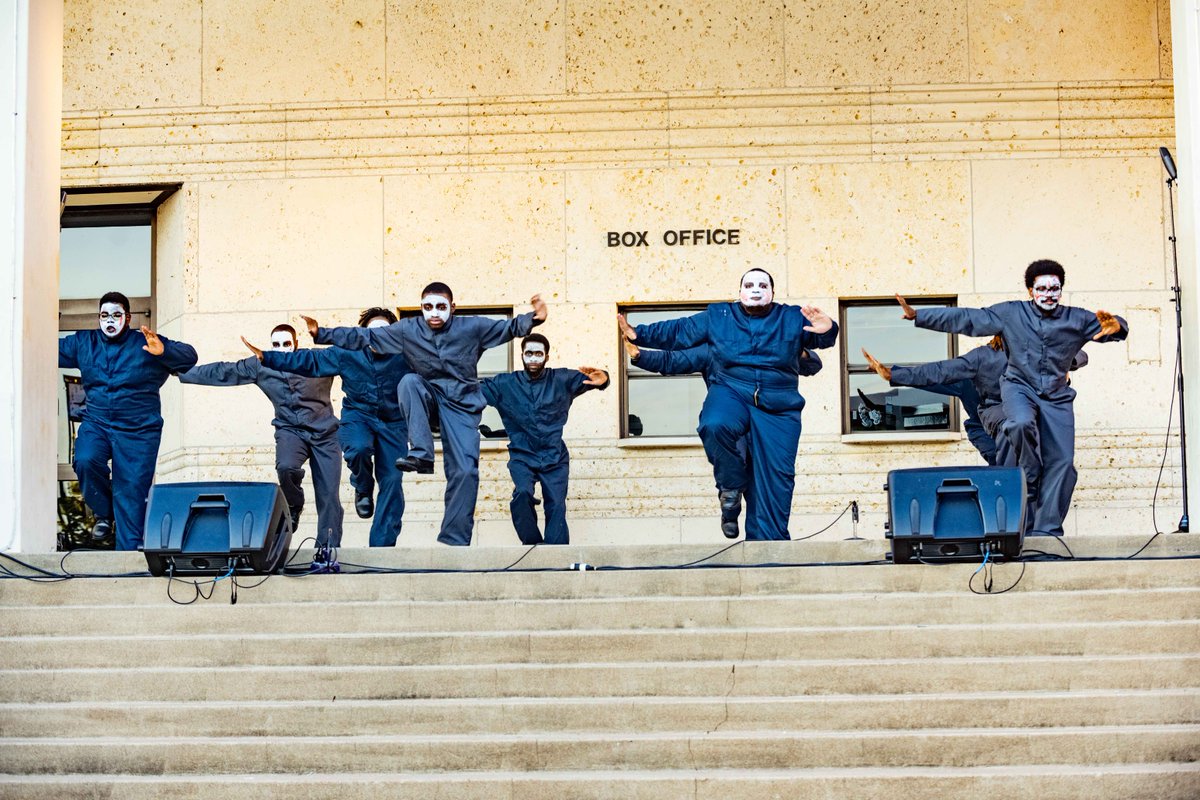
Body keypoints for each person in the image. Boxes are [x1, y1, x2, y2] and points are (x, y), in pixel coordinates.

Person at [895, 259, 1127, 536]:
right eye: (1043, 288)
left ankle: (1046, 531)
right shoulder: (1008, 319)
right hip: (1017, 393)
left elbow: (1103, 332)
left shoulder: (1075, 318)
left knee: (1063, 466)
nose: (1049, 294)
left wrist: (1117, 328)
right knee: (1016, 425)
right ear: (1030, 290)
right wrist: (920, 317)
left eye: (1055, 288)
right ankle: (1026, 479)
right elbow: (967, 322)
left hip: (1055, 398)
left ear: (1061, 290)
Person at [303, 284, 547, 546]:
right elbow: (364, 338)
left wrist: (534, 319)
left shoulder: (472, 327)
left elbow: (507, 329)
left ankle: (454, 539)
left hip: (460, 408)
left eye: (441, 307)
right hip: (427, 400)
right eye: (428, 307)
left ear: (452, 308)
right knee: (409, 382)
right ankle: (421, 453)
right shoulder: (408, 330)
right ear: (421, 307)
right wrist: (321, 333)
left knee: (465, 471)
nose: (434, 313)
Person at [617, 269, 839, 540]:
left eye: (762, 285)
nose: (756, 289)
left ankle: (768, 549)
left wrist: (829, 329)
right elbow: (680, 336)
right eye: (749, 285)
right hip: (732, 391)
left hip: (778, 406)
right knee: (714, 423)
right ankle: (731, 490)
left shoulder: (790, 317)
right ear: (740, 292)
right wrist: (639, 336)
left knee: (775, 481)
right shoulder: (719, 318)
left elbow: (819, 344)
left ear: (772, 292)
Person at [625, 339, 823, 539]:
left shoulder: (770, 347)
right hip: (732, 423)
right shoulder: (715, 347)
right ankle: (730, 504)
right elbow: (675, 360)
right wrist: (640, 356)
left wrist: (799, 352)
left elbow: (813, 365)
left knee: (763, 494)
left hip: (766, 426)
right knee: (728, 454)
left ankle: (762, 544)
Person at [249, 308, 411, 548]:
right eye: (372, 332)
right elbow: (309, 361)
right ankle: (363, 487)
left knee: (393, 481)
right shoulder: (347, 353)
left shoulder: (407, 355)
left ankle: (381, 547)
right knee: (357, 448)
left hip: (394, 423)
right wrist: (268, 357)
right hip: (360, 416)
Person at [178, 324, 344, 547]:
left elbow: (351, 360)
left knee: (329, 494)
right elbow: (224, 371)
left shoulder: (317, 359)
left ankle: (327, 549)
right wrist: (178, 370)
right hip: (290, 431)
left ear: (295, 344)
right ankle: (293, 505)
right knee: (286, 467)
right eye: (276, 345)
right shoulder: (261, 365)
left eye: (286, 344)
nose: (281, 348)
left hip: (325, 434)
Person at [58, 291, 198, 550]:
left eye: (116, 315)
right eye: (104, 316)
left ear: (128, 318)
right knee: (86, 459)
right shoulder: (83, 343)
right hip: (98, 422)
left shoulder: (145, 343)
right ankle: (104, 512)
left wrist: (163, 351)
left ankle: (127, 568)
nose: (110, 321)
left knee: (131, 494)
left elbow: (190, 356)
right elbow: (43, 350)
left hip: (139, 430)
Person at [862, 337, 1089, 468]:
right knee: (1007, 464)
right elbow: (932, 378)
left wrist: (1068, 365)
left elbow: (1078, 353)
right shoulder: (968, 376)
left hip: (1023, 427)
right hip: (985, 431)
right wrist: (892, 373)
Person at [479, 333, 608, 545]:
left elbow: (595, 379)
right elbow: (474, 392)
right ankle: (533, 546)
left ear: (546, 357)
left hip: (554, 456)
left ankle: (556, 557)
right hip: (522, 455)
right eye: (529, 353)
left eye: (538, 354)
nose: (533, 358)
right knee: (522, 494)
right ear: (522, 355)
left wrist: (604, 379)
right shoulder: (506, 384)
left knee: (556, 505)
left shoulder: (562, 379)